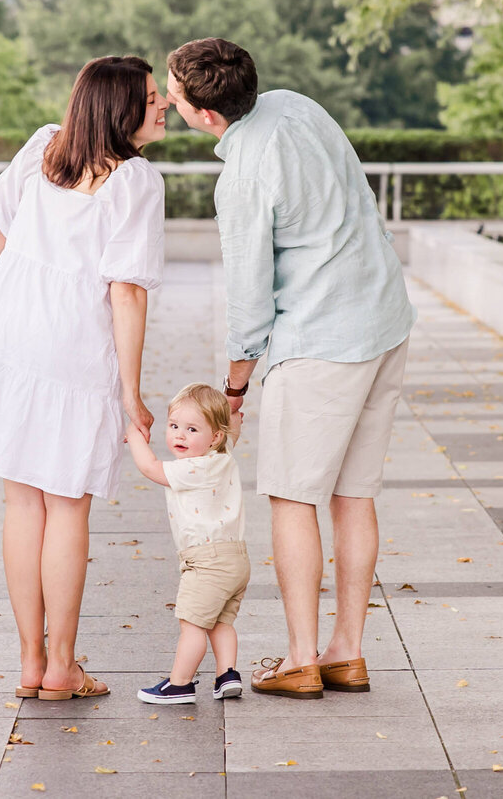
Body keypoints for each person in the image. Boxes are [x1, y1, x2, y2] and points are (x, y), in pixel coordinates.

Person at [164, 37, 414, 698]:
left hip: (323, 340)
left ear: (207, 116)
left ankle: (302, 658)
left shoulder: (242, 174)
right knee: (354, 493)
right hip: (385, 317)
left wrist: (234, 390)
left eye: (176, 96)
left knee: (292, 494)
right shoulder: (298, 106)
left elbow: (248, 305)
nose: (168, 101)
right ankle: (347, 651)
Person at [0, 55, 169, 702]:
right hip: (73, 349)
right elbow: (127, 295)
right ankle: (62, 665)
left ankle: (31, 660)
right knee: (67, 505)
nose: (163, 104)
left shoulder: (44, 150)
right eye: (150, 97)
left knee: (21, 502)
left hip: (11, 339)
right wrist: (130, 392)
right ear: (119, 109)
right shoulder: (136, 182)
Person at [124, 383, 252, 704]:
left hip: (206, 561)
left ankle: (180, 684)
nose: (180, 436)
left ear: (214, 437)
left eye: (192, 429)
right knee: (221, 621)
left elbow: (150, 468)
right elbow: (232, 432)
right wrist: (232, 417)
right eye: (174, 426)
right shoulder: (222, 457)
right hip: (236, 559)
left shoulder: (194, 467)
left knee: (192, 623)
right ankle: (227, 675)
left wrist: (136, 436)